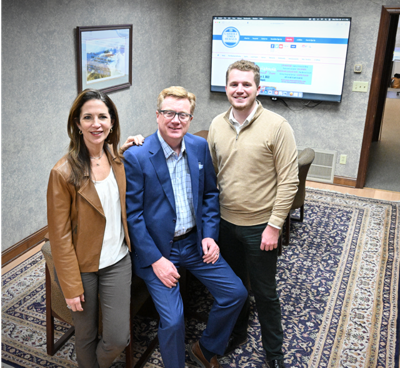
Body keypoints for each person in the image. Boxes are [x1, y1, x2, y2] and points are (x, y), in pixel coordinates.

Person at [124, 86, 248, 368]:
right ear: (157, 116)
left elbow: (209, 195)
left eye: (183, 114)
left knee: (236, 293)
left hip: (194, 243)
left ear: (190, 118)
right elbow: (133, 216)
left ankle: (206, 348)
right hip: (158, 251)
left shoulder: (198, 147)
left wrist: (210, 236)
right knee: (173, 319)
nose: (175, 119)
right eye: (168, 113)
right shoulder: (137, 156)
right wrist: (155, 260)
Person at [207, 60, 299, 368]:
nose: (240, 89)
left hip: (260, 227)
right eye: (234, 84)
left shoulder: (277, 126)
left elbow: (289, 181)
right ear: (226, 88)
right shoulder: (217, 125)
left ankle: (274, 354)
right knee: (235, 288)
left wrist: (274, 227)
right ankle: (239, 332)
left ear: (258, 89)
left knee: (265, 293)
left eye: (246, 84)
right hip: (225, 224)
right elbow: (213, 175)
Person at [46, 88, 144, 368]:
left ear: (112, 121)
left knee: (117, 337)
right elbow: (59, 235)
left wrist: (129, 146)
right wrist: (70, 283)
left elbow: (122, 159)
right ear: (77, 124)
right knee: (86, 335)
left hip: (118, 260)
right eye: (88, 117)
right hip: (82, 265)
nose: (96, 123)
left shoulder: (117, 160)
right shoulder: (62, 173)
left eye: (102, 116)